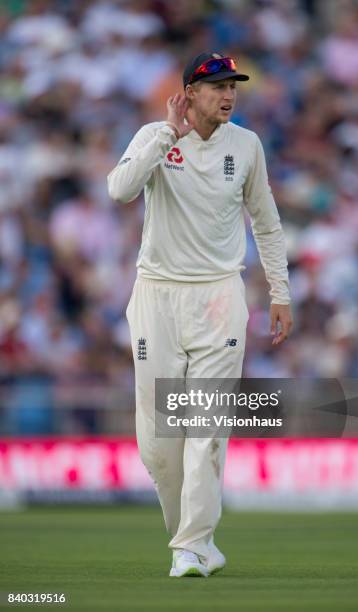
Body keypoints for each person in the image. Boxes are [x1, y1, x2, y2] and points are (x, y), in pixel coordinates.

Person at [107, 52, 293, 578]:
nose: (229, 96)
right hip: (157, 295)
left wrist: (280, 291)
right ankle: (189, 540)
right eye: (217, 88)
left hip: (218, 295)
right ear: (188, 93)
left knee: (205, 425)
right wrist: (166, 135)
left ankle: (192, 546)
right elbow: (118, 190)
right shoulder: (154, 136)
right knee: (160, 445)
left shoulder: (247, 145)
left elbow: (267, 223)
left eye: (233, 87)